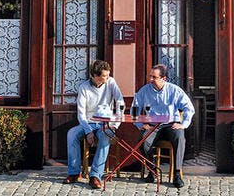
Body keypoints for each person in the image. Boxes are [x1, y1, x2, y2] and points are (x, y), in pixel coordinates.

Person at [63, 59, 125, 189]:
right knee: (71, 134)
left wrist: (115, 124)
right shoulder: (84, 87)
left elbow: (120, 102)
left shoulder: (111, 82)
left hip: (105, 123)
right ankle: (74, 173)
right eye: (104, 76)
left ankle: (95, 175)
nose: (107, 78)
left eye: (108, 75)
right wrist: (87, 131)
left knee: (105, 136)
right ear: (95, 76)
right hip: (88, 122)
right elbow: (81, 113)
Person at [132, 64, 195, 189]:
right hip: (152, 126)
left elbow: (189, 107)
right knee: (142, 142)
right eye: (150, 76)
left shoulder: (174, 90)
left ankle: (177, 174)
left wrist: (184, 124)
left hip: (171, 125)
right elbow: (134, 109)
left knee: (180, 138)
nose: (150, 79)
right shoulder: (145, 90)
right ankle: (153, 170)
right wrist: (140, 124)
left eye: (154, 77)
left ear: (163, 78)